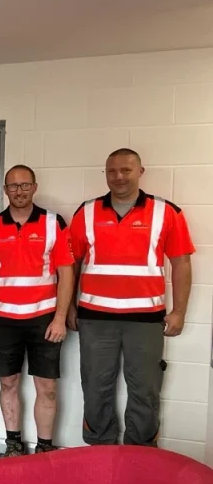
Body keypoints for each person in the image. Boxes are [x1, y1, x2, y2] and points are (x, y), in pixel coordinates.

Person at [68, 148, 194, 446]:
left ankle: (142, 454)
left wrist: (179, 312)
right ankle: (100, 449)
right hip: (95, 318)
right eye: (112, 171)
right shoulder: (86, 212)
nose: (119, 177)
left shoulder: (167, 212)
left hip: (146, 320)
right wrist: (69, 307)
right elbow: (70, 264)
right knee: (96, 387)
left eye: (126, 170)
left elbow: (182, 263)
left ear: (140, 171)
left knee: (145, 389)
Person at [0, 165, 74, 457]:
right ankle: (13, 444)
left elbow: (66, 273)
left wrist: (60, 318)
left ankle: (45, 447)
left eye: (24, 185)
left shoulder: (53, 223)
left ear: (34, 187)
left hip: (44, 320)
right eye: (13, 186)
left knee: (47, 388)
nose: (18, 191)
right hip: (4, 320)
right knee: (8, 383)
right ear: (5, 190)